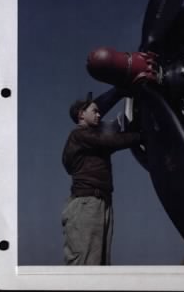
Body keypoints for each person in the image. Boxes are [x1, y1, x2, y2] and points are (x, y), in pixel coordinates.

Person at [61, 87, 141, 265]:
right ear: (81, 115)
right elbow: (110, 140)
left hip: (101, 204)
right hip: (86, 204)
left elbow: (103, 129)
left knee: (100, 266)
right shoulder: (80, 135)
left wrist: (120, 89)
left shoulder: (91, 140)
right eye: (95, 112)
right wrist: (142, 136)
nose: (99, 115)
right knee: (85, 267)